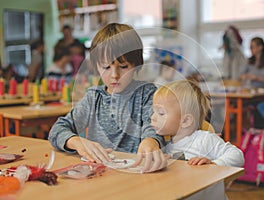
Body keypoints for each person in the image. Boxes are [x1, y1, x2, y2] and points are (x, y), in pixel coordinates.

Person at [48, 23, 167, 173]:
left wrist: (151, 141)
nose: (114, 75)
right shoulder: (93, 98)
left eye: (123, 67)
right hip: (101, 173)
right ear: (96, 66)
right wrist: (76, 142)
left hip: (135, 173)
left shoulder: (146, 93)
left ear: (136, 65)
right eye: (106, 67)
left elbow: (153, 128)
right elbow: (57, 130)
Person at [151, 80, 244, 167]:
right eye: (153, 112)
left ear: (185, 121)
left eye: (161, 113)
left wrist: (214, 164)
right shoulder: (161, 142)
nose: (152, 118)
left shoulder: (204, 139)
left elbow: (237, 156)